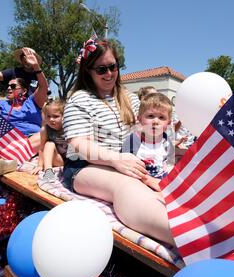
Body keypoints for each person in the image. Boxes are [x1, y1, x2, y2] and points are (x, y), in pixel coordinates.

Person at [62, 37, 175, 245]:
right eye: (101, 69)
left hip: (127, 161)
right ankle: (187, 237)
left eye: (113, 66)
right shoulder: (79, 99)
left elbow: (147, 130)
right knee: (125, 184)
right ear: (88, 70)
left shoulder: (130, 98)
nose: (109, 74)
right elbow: (79, 143)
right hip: (83, 166)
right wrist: (116, 160)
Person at [0, 48, 49, 176]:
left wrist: (36, 66)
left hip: (29, 139)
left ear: (24, 91)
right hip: (8, 140)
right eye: (8, 86)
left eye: (13, 87)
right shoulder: (1, 103)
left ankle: (4, 160)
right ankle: (13, 161)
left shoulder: (32, 100)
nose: (9, 88)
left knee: (43, 134)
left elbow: (43, 87)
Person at [121, 92, 174, 192]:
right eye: (150, 116)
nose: (155, 121)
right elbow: (126, 167)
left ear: (168, 123)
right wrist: (148, 180)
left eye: (161, 117)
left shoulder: (166, 141)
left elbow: (169, 163)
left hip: (162, 181)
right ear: (140, 119)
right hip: (140, 183)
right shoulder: (134, 140)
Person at [31, 99, 68, 181]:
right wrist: (40, 165)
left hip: (70, 161)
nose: (51, 119)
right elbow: (41, 148)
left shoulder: (68, 128)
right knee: (49, 144)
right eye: (48, 116)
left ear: (64, 116)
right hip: (58, 160)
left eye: (55, 116)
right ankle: (48, 172)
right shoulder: (45, 130)